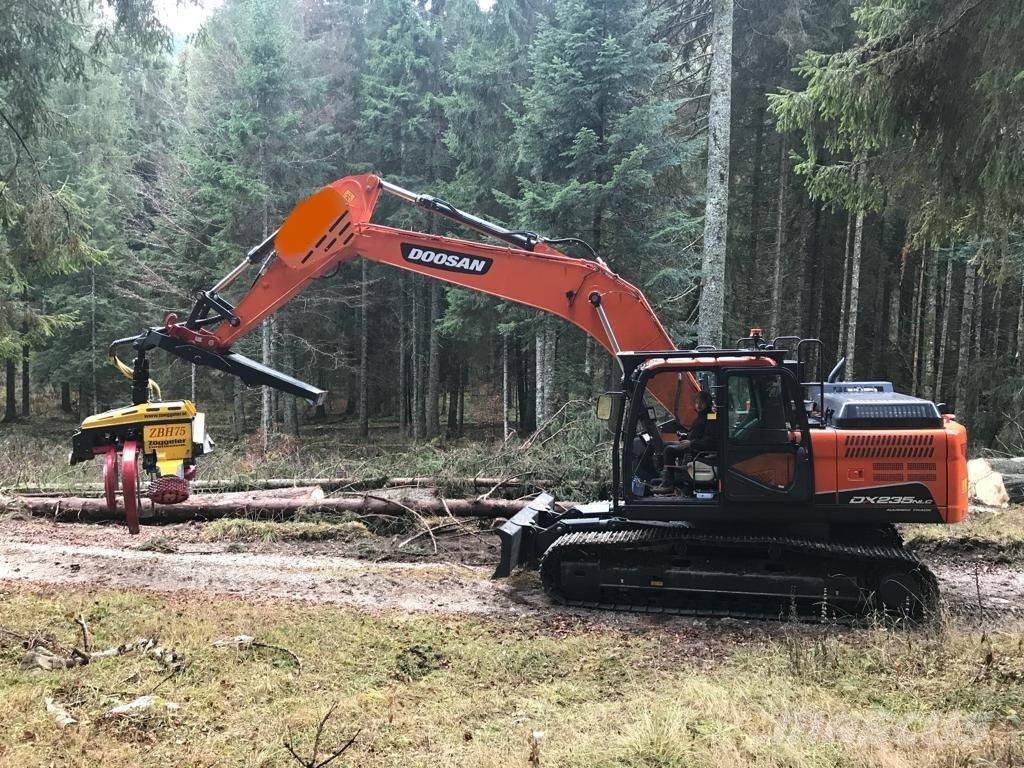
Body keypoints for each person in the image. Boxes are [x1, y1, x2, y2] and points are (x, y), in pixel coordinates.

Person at [653, 390, 717, 495]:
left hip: (698, 449)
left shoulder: (711, 416)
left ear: (708, 403)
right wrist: (686, 436)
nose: (698, 405)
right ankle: (666, 476)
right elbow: (697, 433)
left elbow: (710, 440)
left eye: (701, 402)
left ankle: (668, 484)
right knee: (665, 444)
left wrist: (691, 443)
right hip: (694, 445)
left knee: (669, 450)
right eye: (697, 402)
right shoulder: (701, 416)